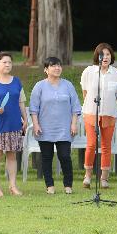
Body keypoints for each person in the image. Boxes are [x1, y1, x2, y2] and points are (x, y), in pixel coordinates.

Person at [30, 57, 81, 195]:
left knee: (65, 156)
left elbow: (75, 107)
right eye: (53, 66)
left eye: (59, 65)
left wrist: (74, 124)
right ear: (46, 69)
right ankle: (49, 185)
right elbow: (34, 108)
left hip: (64, 128)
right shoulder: (39, 86)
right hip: (45, 128)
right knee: (46, 157)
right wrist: (35, 124)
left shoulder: (68, 85)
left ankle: (68, 185)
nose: (57, 68)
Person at [0, 52, 27, 197]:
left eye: (9, 62)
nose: (7, 65)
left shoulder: (17, 81)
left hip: (14, 123)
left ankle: (13, 186)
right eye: (4, 62)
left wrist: (25, 118)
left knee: (12, 154)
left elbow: (21, 102)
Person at [80, 43, 117, 188]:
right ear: (97, 56)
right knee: (91, 144)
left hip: (109, 113)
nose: (105, 57)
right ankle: (88, 176)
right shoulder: (89, 71)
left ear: (112, 56)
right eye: (102, 55)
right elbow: (85, 92)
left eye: (108, 54)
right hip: (91, 112)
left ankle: (104, 178)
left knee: (106, 146)